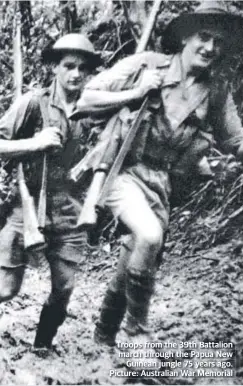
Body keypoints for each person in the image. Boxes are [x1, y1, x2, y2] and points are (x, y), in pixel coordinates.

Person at [72, 1, 243, 348]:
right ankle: (137, 334)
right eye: (204, 37)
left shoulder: (217, 92)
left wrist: (220, 162)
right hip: (122, 171)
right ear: (183, 38)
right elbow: (85, 101)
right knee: (148, 236)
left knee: (139, 249)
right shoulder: (146, 65)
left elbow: (236, 140)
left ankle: (103, 333)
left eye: (219, 42)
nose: (210, 48)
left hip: (164, 187)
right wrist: (136, 91)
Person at [0, 33, 101, 350]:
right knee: (5, 288)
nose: (76, 74)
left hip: (71, 211)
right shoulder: (32, 103)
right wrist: (34, 143)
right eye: (69, 66)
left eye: (83, 68)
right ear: (54, 67)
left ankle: (42, 346)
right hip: (26, 207)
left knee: (64, 288)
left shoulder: (96, 109)